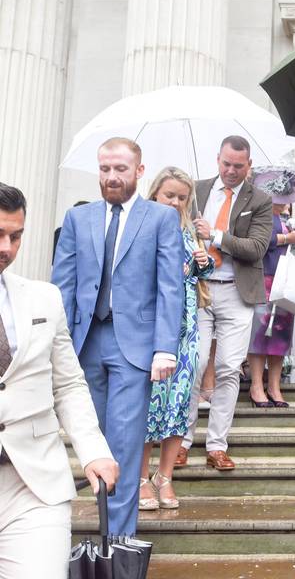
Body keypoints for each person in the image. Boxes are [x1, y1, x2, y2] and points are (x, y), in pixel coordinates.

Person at [52, 137, 182, 536]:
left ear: (139, 172)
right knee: (91, 443)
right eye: (105, 169)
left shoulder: (160, 218)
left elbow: (169, 288)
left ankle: (117, 542)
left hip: (135, 349)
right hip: (84, 344)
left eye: (120, 169)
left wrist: (165, 348)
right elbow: (63, 286)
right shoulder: (78, 219)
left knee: (123, 444)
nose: (111, 177)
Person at [0, 183, 118, 577]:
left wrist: (94, 450)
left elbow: (67, 384)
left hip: (32, 487)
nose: (7, 248)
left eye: (15, 236)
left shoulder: (44, 298)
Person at [181, 135, 274, 472]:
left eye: (238, 166)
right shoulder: (195, 190)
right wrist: (192, 241)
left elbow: (258, 247)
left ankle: (217, 445)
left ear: (248, 165)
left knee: (227, 369)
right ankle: (183, 441)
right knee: (193, 365)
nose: (231, 171)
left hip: (238, 291)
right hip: (201, 289)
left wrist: (216, 236)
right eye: (226, 164)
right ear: (216, 159)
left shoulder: (260, 199)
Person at [136, 168, 213, 511]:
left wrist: (202, 260)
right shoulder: (142, 225)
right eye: (170, 195)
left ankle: (164, 477)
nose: (176, 202)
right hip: (153, 324)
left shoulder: (187, 229)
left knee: (180, 401)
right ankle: (139, 477)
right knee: (151, 402)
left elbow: (201, 272)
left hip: (186, 325)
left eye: (183, 197)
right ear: (155, 193)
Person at [246, 194, 295, 407]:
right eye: (280, 195)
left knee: (281, 334)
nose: (284, 200)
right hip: (264, 278)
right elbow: (257, 243)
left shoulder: (288, 221)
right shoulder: (259, 216)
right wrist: (286, 239)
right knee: (260, 332)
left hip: (285, 281)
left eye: (287, 196)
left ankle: (274, 385)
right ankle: (256, 385)